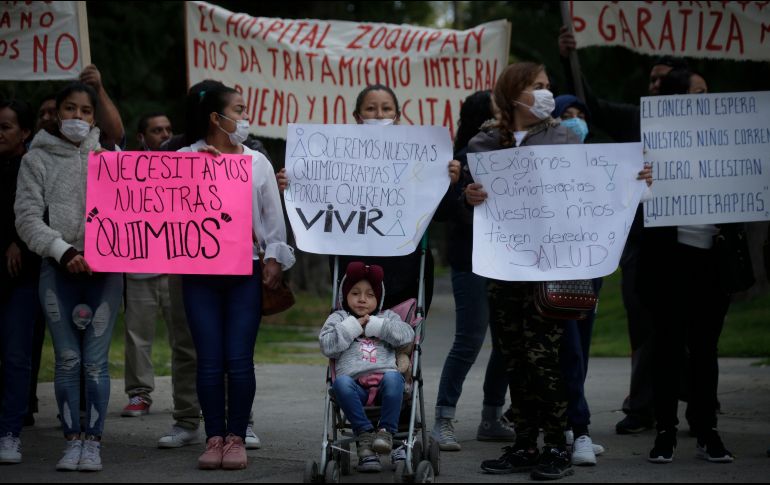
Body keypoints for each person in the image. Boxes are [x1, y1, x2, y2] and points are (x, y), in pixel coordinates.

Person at [469, 62, 652, 480]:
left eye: (548, 86)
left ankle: (555, 445)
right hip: (504, 269)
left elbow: (596, 190)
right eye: (538, 86)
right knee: (515, 357)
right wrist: (470, 195)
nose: (547, 93)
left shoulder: (564, 138)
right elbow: (471, 208)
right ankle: (523, 445)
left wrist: (635, 180)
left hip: (551, 269)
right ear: (515, 92)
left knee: (545, 358)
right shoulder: (482, 143)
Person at [559, 26, 687, 435]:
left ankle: (701, 404)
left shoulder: (712, 130)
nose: (655, 87)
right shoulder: (635, 118)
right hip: (644, 243)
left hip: (698, 242)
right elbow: (590, 105)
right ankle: (643, 406)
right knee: (643, 322)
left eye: (664, 81)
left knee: (696, 329)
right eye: (651, 80)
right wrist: (570, 59)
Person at [179, 83, 294, 470]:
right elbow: (164, 210)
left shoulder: (257, 163)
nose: (245, 118)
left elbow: (273, 222)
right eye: (239, 110)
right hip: (199, 276)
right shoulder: (183, 159)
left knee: (239, 360)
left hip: (245, 273)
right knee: (209, 360)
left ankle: (237, 438)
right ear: (216, 118)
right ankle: (214, 438)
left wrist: (275, 259)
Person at [15, 82, 124, 472]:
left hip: (105, 275)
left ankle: (93, 443)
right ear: (56, 112)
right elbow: (26, 219)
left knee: (95, 363)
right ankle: (71, 441)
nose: (77, 117)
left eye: (85, 111)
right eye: (69, 109)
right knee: (67, 360)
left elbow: (152, 198)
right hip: (58, 272)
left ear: (95, 117)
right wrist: (65, 252)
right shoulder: (35, 159)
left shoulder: (111, 157)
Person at [643, 68, 735, 464]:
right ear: (678, 98)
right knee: (666, 347)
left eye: (708, 90)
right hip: (669, 261)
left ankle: (705, 428)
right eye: (698, 91)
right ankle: (665, 431)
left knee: (704, 349)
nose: (706, 98)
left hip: (711, 259)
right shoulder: (652, 142)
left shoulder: (727, 141)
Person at [431, 90, 515, 451]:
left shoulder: (518, 155)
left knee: (508, 343)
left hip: (510, 261)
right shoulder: (464, 158)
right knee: (469, 340)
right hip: (473, 262)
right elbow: (444, 211)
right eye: (500, 106)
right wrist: (463, 196)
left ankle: (492, 417)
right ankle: (443, 420)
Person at [330, 84, 461, 313]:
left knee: (402, 340)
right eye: (371, 109)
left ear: (397, 116)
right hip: (355, 263)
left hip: (405, 265)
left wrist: (449, 183)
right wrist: (293, 184)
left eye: (386, 109)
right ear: (357, 117)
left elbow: (442, 214)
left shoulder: (420, 158)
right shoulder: (337, 157)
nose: (379, 115)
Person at [117, 113, 204, 449]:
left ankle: (190, 406)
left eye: (169, 129)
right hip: (140, 267)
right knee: (137, 335)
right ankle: (139, 394)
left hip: (177, 268)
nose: (164, 135)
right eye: (156, 131)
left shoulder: (190, 165)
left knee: (186, 342)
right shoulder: (130, 170)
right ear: (141, 137)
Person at [319, 261, 415, 473]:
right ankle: (364, 435)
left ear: (378, 299)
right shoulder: (339, 319)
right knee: (340, 383)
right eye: (355, 293)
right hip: (354, 387)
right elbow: (326, 345)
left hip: (385, 385)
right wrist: (354, 326)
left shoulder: (387, 318)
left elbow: (408, 336)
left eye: (370, 295)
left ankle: (385, 433)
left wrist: (377, 326)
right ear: (345, 295)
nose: (362, 299)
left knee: (393, 378)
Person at [552, 95, 606, 466]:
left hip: (588, 268)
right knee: (568, 349)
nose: (575, 122)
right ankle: (578, 428)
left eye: (580, 116)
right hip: (553, 268)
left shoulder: (602, 164)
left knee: (580, 347)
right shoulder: (542, 159)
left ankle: (572, 427)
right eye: (566, 115)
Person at [0, 99, 37, 464]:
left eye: (6, 126)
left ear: (25, 132)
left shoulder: (32, 167)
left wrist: (18, 240)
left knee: (15, 357)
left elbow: (37, 214)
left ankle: (9, 432)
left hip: (21, 278)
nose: (0, 133)